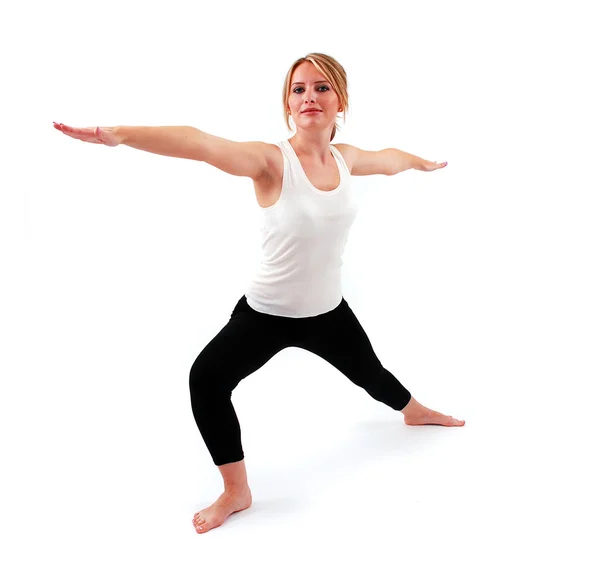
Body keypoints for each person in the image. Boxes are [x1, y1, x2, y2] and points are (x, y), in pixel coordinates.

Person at [54, 52, 465, 535]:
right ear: (288, 105)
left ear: (341, 101)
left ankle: (413, 413)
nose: (309, 96)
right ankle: (236, 490)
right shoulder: (271, 160)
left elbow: (388, 161)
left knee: (370, 372)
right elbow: (200, 143)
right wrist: (119, 135)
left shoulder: (344, 158)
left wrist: (417, 163)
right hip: (266, 314)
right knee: (206, 379)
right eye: (298, 90)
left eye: (321, 87)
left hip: (328, 311)